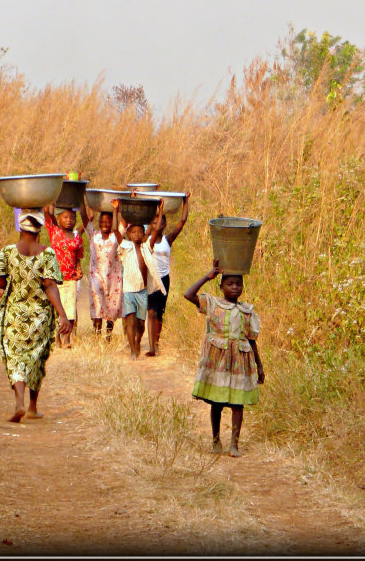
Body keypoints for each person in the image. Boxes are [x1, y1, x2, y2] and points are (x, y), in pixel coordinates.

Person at [0, 209, 71, 423]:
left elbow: (1, 282)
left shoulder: (7, 252)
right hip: (40, 316)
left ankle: (19, 403)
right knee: (36, 358)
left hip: (14, 315)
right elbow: (50, 285)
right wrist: (62, 315)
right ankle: (33, 407)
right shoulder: (47, 254)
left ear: (21, 228)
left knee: (15, 357)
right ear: (39, 230)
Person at [183, 259, 264, 457]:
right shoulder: (212, 304)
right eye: (230, 283)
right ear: (221, 286)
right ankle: (216, 440)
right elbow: (188, 294)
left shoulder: (247, 311)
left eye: (239, 283)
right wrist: (207, 276)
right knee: (217, 402)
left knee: (238, 404)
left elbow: (251, 340)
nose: (235, 287)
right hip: (218, 361)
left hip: (239, 362)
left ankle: (234, 444)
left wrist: (259, 366)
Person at [111, 198, 166, 360]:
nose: (136, 235)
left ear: (143, 234)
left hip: (142, 290)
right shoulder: (125, 247)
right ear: (128, 234)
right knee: (130, 320)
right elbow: (115, 230)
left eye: (139, 232)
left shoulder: (146, 247)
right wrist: (116, 210)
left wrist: (159, 210)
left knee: (141, 324)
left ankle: (137, 340)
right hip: (128, 289)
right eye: (133, 232)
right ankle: (133, 350)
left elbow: (154, 231)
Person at [142, 193, 191, 356]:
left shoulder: (168, 240)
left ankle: (156, 342)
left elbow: (182, 222)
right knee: (150, 311)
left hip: (164, 279)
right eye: (154, 222)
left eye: (161, 221)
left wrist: (185, 201)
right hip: (150, 278)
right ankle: (151, 347)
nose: (158, 224)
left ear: (165, 223)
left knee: (159, 313)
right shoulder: (146, 239)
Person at [81, 199, 125, 341]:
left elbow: (124, 222)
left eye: (108, 221)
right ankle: (97, 334)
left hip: (113, 278)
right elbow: (83, 217)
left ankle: (108, 335)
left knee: (111, 306)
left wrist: (116, 209)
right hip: (96, 278)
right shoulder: (94, 235)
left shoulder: (116, 237)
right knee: (97, 306)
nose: (105, 224)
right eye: (102, 221)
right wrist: (81, 196)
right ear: (99, 222)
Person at [43, 203, 85, 348]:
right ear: (58, 219)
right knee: (56, 309)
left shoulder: (77, 237)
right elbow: (47, 213)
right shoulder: (54, 232)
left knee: (70, 309)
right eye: (65, 217)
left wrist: (79, 268)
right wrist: (52, 197)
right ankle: (57, 338)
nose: (69, 220)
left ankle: (67, 338)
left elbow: (78, 256)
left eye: (72, 218)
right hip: (55, 279)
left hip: (71, 278)